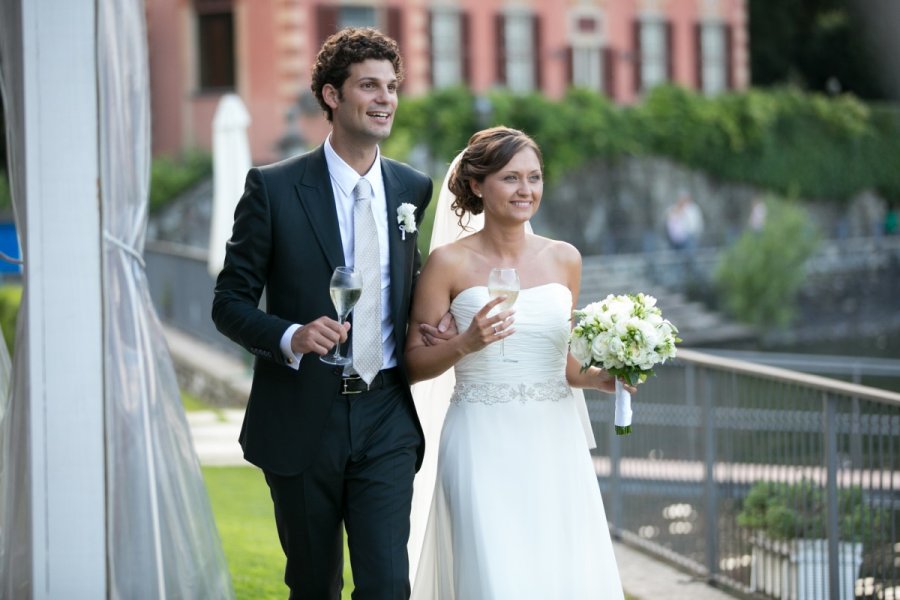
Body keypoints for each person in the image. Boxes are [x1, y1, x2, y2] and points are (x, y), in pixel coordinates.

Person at [212, 27, 452, 599]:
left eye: (391, 87)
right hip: (302, 416)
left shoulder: (412, 189)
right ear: (330, 96)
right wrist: (292, 335)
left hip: (387, 413)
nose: (385, 98)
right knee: (315, 585)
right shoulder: (272, 189)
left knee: (388, 584)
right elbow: (229, 303)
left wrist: (436, 321)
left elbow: (409, 284)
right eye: (369, 85)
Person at [403, 127, 627, 599]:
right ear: (478, 185)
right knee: (493, 575)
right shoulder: (447, 263)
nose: (526, 190)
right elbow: (412, 364)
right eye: (511, 178)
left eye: (535, 177)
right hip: (480, 438)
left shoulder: (565, 259)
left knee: (555, 572)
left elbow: (564, 366)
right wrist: (465, 342)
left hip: (553, 439)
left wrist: (605, 378)